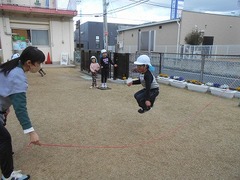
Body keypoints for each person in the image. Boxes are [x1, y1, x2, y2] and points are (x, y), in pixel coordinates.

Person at [0, 46, 45, 180]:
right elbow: (20, 108)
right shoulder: (17, 76)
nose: (40, 66)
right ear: (29, 63)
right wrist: (31, 132)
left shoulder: (10, 67)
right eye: (39, 63)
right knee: (4, 139)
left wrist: (4, 109)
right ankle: (8, 176)